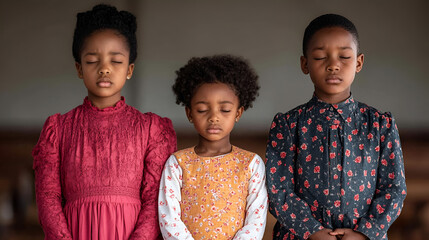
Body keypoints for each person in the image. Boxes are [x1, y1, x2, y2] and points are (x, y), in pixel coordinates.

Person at [32, 4, 176, 240]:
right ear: (79, 68)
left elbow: (154, 199)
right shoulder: (58, 129)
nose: (104, 69)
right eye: (92, 61)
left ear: (130, 69)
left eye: (116, 61)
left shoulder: (150, 129)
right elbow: (47, 196)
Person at [265, 14, 406, 240]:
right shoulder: (288, 125)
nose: (333, 65)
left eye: (344, 56)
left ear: (358, 62)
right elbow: (278, 191)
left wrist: (365, 233)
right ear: (305, 64)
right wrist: (312, 231)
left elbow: (394, 188)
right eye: (321, 56)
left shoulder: (380, 125)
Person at [158, 55, 268, 239]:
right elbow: (169, 218)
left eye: (224, 109)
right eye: (202, 109)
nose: (214, 117)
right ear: (189, 113)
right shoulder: (177, 164)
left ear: (238, 113)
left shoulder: (251, 164)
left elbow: (256, 220)